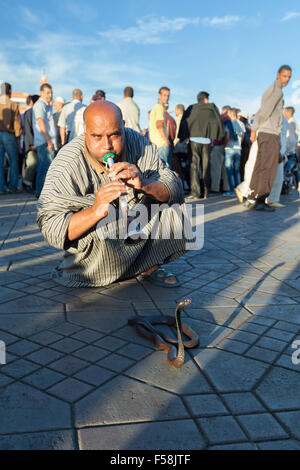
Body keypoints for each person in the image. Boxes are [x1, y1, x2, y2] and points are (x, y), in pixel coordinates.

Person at [37, 101, 187, 288]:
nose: (107, 145)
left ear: (123, 126)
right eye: (97, 136)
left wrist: (145, 184)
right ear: (86, 131)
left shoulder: (137, 142)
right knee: (107, 221)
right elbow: (50, 225)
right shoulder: (68, 162)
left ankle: (148, 265)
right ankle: (106, 273)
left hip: (135, 229)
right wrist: (96, 210)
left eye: (115, 135)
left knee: (171, 198)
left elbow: (173, 185)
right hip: (98, 256)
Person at [244, 65, 292, 211]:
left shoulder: (271, 89)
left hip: (264, 133)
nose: (287, 80)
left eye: (289, 77)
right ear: (278, 75)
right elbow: (264, 112)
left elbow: (260, 110)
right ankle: (260, 200)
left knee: (260, 166)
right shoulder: (277, 91)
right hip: (270, 134)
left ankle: (251, 198)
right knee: (268, 168)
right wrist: (254, 129)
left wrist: (255, 129)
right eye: (285, 76)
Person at [179, 91, 224, 200]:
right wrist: (216, 136)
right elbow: (218, 121)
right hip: (207, 142)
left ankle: (195, 192)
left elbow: (184, 121)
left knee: (194, 167)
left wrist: (183, 137)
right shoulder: (211, 108)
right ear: (205, 99)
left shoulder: (191, 108)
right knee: (206, 167)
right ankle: (206, 192)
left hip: (194, 141)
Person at [32, 82, 57, 197]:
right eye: (47, 92)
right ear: (41, 93)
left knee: (45, 168)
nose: (50, 95)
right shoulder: (40, 104)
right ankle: (41, 193)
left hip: (46, 142)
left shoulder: (46, 105)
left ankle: (41, 193)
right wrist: (49, 140)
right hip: (44, 142)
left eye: (51, 92)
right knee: (45, 169)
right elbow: (40, 121)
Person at [0, 82, 22, 194]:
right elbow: (17, 123)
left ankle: (1, 188)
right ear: (10, 92)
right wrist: (18, 138)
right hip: (9, 135)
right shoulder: (13, 104)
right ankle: (13, 186)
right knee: (13, 161)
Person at [223, 107, 245, 196]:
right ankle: (239, 189)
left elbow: (227, 137)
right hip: (238, 148)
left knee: (229, 170)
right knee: (237, 170)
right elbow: (243, 137)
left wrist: (224, 146)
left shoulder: (229, 123)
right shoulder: (241, 124)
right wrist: (239, 144)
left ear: (230, 114)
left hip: (229, 148)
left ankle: (232, 190)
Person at [149, 86, 172, 167]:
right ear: (159, 95)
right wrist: (165, 141)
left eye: (168, 95)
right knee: (164, 172)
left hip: (156, 144)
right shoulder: (159, 108)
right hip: (161, 144)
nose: (167, 98)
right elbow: (159, 125)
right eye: (164, 95)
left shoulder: (155, 108)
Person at [22, 94, 40, 190]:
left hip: (38, 143)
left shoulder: (37, 112)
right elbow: (28, 130)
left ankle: (31, 185)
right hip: (32, 145)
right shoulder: (29, 112)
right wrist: (31, 144)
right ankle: (26, 183)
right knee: (32, 163)